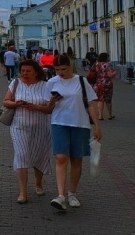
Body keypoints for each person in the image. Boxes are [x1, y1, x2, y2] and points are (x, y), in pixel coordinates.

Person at [48, 54, 101, 211]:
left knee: (76, 160)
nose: (60, 73)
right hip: (59, 123)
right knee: (60, 157)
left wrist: (97, 126)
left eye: (63, 69)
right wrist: (51, 101)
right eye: (57, 69)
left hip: (80, 124)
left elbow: (91, 104)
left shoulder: (81, 81)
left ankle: (72, 193)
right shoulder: (52, 82)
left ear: (70, 65)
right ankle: (60, 195)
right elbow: (47, 107)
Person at [2, 60, 53, 203]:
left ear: (36, 72)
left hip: (40, 127)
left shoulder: (45, 86)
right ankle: (23, 192)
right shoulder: (15, 83)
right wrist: (16, 103)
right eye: (22, 71)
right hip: (19, 126)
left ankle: (38, 183)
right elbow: (5, 101)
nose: (25, 73)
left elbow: (50, 108)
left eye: (28, 71)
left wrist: (38, 107)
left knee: (40, 155)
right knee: (21, 155)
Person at [90, 52, 118, 120]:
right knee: (108, 100)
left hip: (98, 84)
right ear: (105, 58)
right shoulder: (107, 65)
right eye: (108, 57)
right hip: (107, 84)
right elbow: (110, 75)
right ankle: (110, 115)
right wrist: (115, 72)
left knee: (100, 99)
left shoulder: (96, 64)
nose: (109, 58)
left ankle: (100, 116)